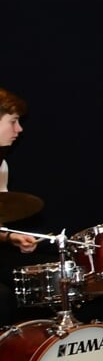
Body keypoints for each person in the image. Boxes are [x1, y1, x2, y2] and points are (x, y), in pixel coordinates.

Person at [1, 89, 39, 325]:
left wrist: (12, 237)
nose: (19, 130)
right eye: (13, 122)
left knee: (33, 283)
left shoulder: (1, 165)